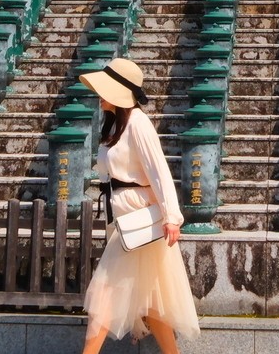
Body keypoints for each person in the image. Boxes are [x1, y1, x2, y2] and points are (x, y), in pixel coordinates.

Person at [77, 57, 198, 354]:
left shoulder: (138, 123)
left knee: (104, 293)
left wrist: (172, 216)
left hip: (140, 220)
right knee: (153, 302)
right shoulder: (117, 124)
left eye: (106, 89)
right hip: (125, 220)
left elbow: (159, 170)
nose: (100, 95)